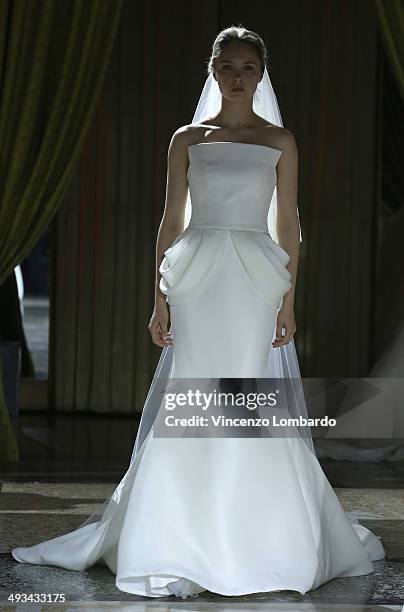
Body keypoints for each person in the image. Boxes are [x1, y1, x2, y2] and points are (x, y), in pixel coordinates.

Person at [11, 25, 385, 599]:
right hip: (199, 277)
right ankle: (176, 535)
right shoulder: (187, 139)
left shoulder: (280, 141)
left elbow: (289, 225)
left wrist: (289, 298)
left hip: (255, 280)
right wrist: (159, 297)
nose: (238, 77)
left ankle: (259, 535)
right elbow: (170, 220)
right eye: (228, 66)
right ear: (213, 70)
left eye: (248, 68)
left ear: (262, 75)